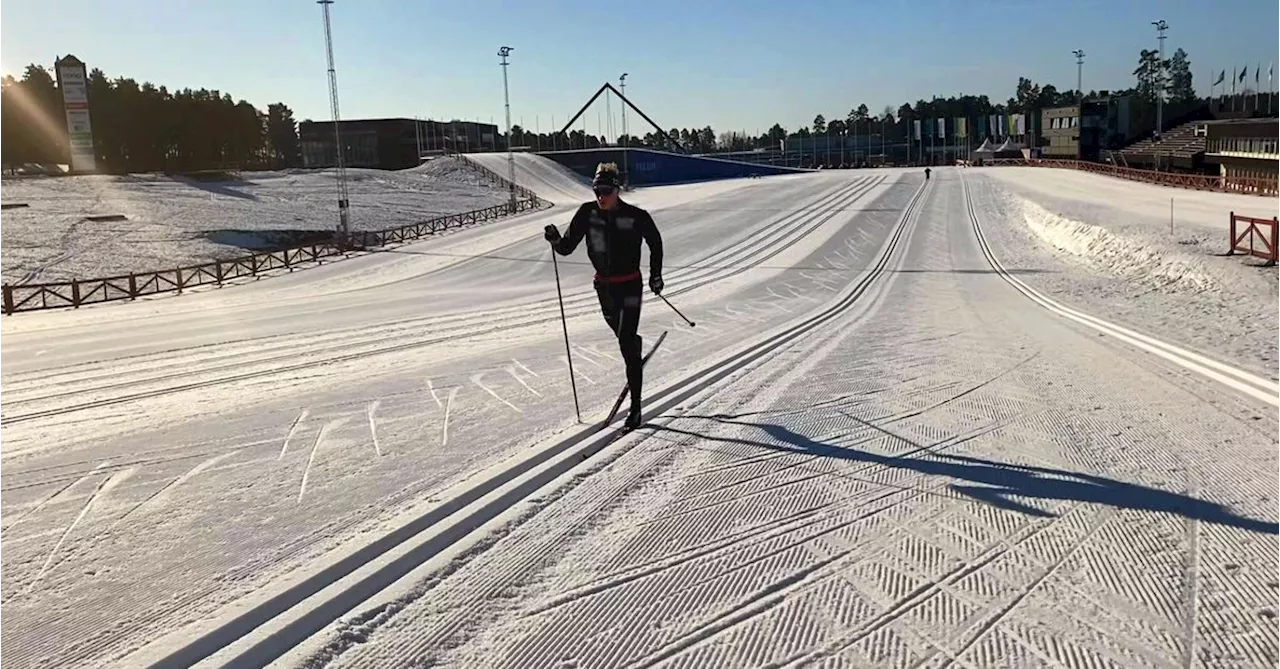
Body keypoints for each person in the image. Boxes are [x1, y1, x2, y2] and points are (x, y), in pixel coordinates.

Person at [544, 162, 664, 429]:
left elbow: (655, 242)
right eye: (597, 190)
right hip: (604, 288)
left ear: (617, 189)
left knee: (625, 344)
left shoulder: (635, 215)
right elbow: (565, 248)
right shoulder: (587, 214)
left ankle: (636, 407)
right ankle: (634, 344)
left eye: (606, 191)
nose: (601, 196)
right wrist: (554, 240)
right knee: (625, 338)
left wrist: (656, 275)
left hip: (630, 285)